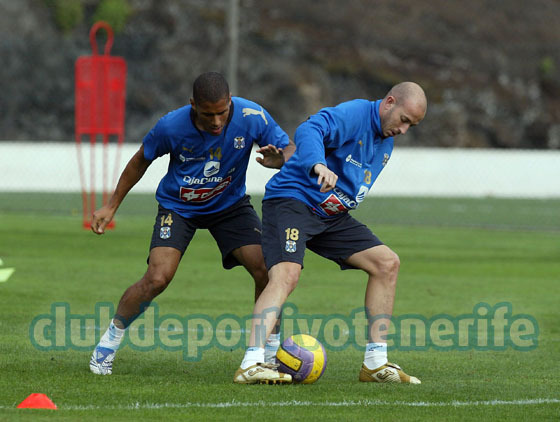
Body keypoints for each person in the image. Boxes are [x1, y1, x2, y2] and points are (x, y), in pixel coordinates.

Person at [89, 71, 295, 375]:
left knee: (267, 268)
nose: (215, 122)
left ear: (229, 102)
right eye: (207, 114)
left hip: (230, 206)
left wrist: (284, 159)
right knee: (157, 278)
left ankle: (268, 353)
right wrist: (111, 205)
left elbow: (288, 147)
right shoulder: (171, 126)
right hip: (179, 207)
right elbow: (139, 161)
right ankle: (108, 343)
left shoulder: (252, 115)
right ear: (192, 105)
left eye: (222, 112)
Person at [233, 82, 427, 384]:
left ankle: (375, 364)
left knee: (387, 263)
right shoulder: (355, 114)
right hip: (293, 201)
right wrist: (317, 164)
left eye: (411, 126)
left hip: (330, 214)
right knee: (286, 275)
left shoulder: (385, 138)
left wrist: (290, 159)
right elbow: (310, 129)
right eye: (404, 120)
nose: (403, 130)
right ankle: (252, 362)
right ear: (389, 102)